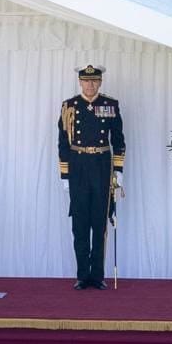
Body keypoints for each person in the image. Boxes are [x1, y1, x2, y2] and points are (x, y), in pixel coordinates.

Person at [58, 65, 125, 290]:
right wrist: (65, 175)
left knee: (99, 222)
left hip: (101, 165)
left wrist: (118, 171)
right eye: (86, 81)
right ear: (80, 82)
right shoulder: (69, 106)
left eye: (94, 81)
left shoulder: (110, 105)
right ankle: (81, 275)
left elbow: (118, 140)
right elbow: (62, 143)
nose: (90, 85)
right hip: (77, 165)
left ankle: (97, 275)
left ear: (100, 82)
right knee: (79, 223)